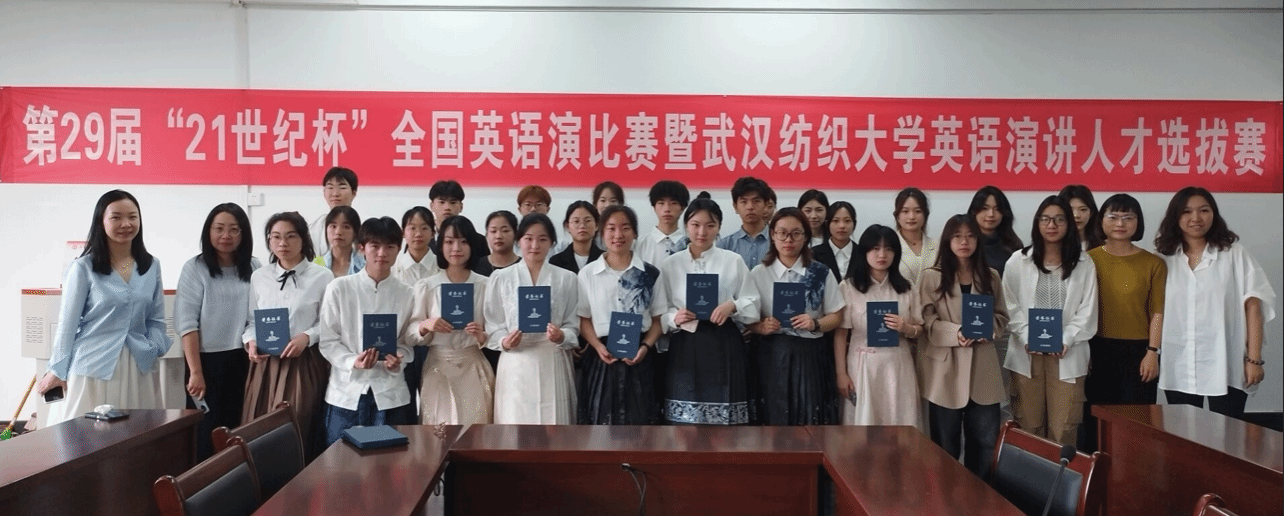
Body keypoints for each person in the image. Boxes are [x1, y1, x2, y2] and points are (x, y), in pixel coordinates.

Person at [39, 190, 171, 426]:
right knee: (82, 436)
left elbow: (156, 319)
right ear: (101, 221)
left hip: (138, 367)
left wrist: (153, 348)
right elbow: (67, 325)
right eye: (116, 217)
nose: (126, 224)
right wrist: (57, 370)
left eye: (132, 217)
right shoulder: (83, 268)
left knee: (138, 434)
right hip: (92, 366)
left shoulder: (151, 265)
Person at [1154, 187, 1276, 421]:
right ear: (1175, 216)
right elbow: (1155, 311)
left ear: (1214, 214)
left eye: (1203, 210)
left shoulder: (1234, 254)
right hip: (1179, 362)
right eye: (1186, 211)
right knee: (1183, 431)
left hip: (1226, 360)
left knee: (1229, 431)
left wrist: (1254, 359)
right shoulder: (1163, 259)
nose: (1196, 218)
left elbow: (1254, 308)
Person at [1002, 196, 1098, 446]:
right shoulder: (1018, 261)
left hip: (1067, 354)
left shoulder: (1084, 263)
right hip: (1026, 355)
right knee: (1028, 426)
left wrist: (1066, 339)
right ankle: (1029, 473)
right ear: (1037, 223)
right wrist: (1027, 336)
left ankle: (1062, 473)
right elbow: (1009, 304)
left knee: (1064, 428)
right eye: (1045, 219)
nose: (1051, 225)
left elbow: (1087, 310)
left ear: (1069, 224)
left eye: (1059, 219)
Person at [918, 214, 1009, 478]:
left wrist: (989, 329)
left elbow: (1002, 316)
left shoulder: (990, 276)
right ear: (947, 241)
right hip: (945, 370)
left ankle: (980, 496)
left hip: (983, 368)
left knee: (985, 444)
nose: (964, 242)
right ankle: (946, 497)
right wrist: (955, 332)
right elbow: (925, 321)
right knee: (945, 445)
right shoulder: (931, 277)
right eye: (957, 236)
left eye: (970, 236)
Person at [742, 208, 846, 425]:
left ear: (806, 236)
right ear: (772, 235)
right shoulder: (758, 273)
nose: (788, 240)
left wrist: (815, 323)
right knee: (773, 416)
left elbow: (837, 316)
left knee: (809, 416)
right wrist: (761, 327)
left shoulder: (821, 272)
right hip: (771, 354)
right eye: (782, 233)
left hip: (810, 355)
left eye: (796, 233)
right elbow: (747, 319)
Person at [318, 217, 416, 445]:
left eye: (390, 246)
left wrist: (398, 358)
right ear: (361, 248)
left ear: (399, 249)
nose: (382, 253)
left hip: (391, 394)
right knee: (342, 459)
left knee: (391, 460)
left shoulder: (407, 293)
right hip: (346, 393)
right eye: (375, 245)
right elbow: (328, 341)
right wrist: (354, 361)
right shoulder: (339, 288)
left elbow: (407, 341)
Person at [243, 211, 333, 458]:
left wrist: (307, 336)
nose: (283, 243)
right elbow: (251, 321)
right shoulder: (260, 276)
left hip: (304, 363)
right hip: (265, 366)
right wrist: (251, 341)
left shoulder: (322, 276)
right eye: (276, 237)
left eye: (291, 236)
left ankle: (301, 480)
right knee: (259, 428)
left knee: (297, 426)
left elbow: (330, 323)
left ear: (303, 239)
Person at [659, 193, 754, 425]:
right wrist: (674, 317)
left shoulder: (733, 260)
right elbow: (659, 310)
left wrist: (733, 305)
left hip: (724, 343)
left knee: (725, 423)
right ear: (686, 226)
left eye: (710, 225)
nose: (702, 232)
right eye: (695, 225)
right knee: (685, 423)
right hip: (686, 345)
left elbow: (753, 303)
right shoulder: (671, 264)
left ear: (719, 227)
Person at [175, 203, 260, 459]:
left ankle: (240, 480)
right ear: (208, 232)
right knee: (206, 433)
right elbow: (187, 324)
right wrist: (196, 372)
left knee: (241, 429)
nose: (226, 236)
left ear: (244, 234)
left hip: (245, 358)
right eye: (219, 228)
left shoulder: (255, 266)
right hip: (205, 362)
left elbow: (258, 315)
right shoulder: (195, 268)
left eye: (234, 229)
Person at [1083, 193, 1166, 452]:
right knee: (1095, 420)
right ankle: (1096, 471)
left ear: (1138, 223)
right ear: (1101, 220)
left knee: (1136, 421)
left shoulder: (1153, 263)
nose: (1120, 223)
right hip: (1095, 348)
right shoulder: (1087, 260)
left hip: (1139, 352)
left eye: (1128, 218)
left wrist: (1152, 352)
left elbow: (1157, 312)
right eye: (1113, 217)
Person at [484, 213, 580, 424]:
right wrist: (504, 341)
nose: (535, 245)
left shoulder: (567, 279)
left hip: (553, 360)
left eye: (542, 239)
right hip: (516, 361)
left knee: (554, 424)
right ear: (518, 241)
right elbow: (493, 324)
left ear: (552, 243)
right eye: (528, 238)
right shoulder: (501, 278)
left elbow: (573, 325)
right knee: (515, 424)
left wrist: (562, 336)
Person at [577, 205, 666, 425]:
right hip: (602, 356)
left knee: (641, 422)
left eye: (625, 228)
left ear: (635, 233)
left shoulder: (650, 273)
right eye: (611, 228)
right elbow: (583, 318)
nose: (618, 235)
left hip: (640, 356)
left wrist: (645, 347)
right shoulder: (588, 274)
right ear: (601, 233)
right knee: (600, 422)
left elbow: (658, 320)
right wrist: (597, 346)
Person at [405, 215, 495, 425]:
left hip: (473, 365)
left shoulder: (486, 285)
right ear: (440, 245)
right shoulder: (427, 285)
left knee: (476, 430)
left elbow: (499, 331)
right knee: (438, 431)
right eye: (449, 241)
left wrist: (482, 335)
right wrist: (426, 326)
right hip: (438, 366)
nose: (456, 248)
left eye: (463, 241)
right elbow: (409, 334)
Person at [834, 224, 924, 428]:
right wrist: (841, 373)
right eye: (875, 249)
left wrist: (906, 328)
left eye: (888, 249)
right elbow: (841, 334)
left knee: (900, 422)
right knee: (863, 426)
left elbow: (920, 328)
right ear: (864, 252)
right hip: (862, 365)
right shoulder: (848, 287)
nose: (882, 255)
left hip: (898, 364)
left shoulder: (907, 288)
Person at [717, 176, 774, 269]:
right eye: (744, 202)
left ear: (766, 205)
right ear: (735, 207)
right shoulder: (724, 245)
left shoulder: (778, 242)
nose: (750, 207)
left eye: (756, 201)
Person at [968, 185, 1023, 277]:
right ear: (974, 211)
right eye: (985, 208)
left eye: (997, 209)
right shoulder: (964, 243)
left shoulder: (1014, 245)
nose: (991, 214)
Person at [634, 180, 691, 266]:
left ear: (682, 208)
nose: (667, 209)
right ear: (654, 207)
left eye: (673, 203)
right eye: (661, 203)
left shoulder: (691, 245)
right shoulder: (638, 244)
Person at [893, 187, 938, 286]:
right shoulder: (888, 246)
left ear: (925, 215)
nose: (911, 216)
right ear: (897, 216)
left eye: (917, 211)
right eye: (905, 211)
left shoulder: (938, 246)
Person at [309, 167, 358, 255]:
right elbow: (313, 258)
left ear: (354, 193)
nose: (335, 194)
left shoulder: (366, 224)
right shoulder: (315, 227)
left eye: (342, 188)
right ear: (324, 192)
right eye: (330, 187)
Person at [548, 201, 602, 274]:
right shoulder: (556, 262)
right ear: (567, 226)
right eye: (576, 221)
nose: (582, 226)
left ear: (597, 225)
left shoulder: (605, 259)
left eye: (587, 221)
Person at [392, 206, 438, 287]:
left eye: (424, 228)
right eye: (412, 228)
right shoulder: (392, 266)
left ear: (433, 233)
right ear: (403, 233)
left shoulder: (442, 266)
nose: (418, 234)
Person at [811, 201, 857, 283]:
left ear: (854, 224)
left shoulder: (863, 253)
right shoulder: (813, 254)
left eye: (847, 221)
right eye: (836, 221)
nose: (842, 226)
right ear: (827, 224)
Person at [314, 205, 364, 277]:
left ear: (355, 232)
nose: (338, 232)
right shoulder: (316, 265)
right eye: (333, 226)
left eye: (346, 227)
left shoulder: (365, 266)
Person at [1058, 184, 1104, 250]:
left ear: (1091, 213)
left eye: (1083, 209)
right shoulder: (1051, 246)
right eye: (1070, 209)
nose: (1076, 215)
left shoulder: (1103, 247)